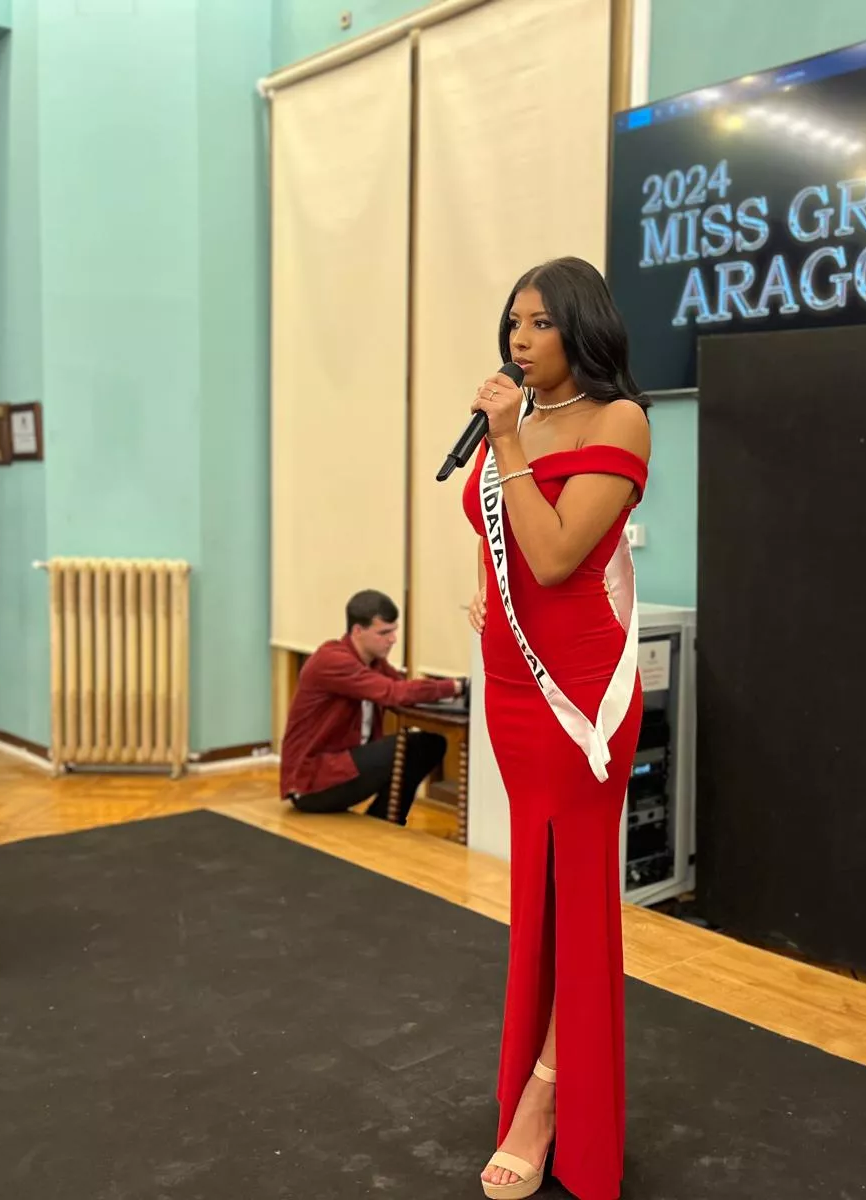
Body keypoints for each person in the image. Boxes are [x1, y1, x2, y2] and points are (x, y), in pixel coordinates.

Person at [462, 257, 651, 1200]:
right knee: (535, 893)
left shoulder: (620, 421)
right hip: (509, 687)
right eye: (514, 323)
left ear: (582, 328)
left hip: (581, 695)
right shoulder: (524, 426)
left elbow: (554, 555)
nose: (519, 340)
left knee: (576, 897)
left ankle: (544, 1100)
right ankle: (542, 1079)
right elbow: (503, 557)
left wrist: (506, 444)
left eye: (538, 323)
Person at [279, 589, 464, 824]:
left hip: (342, 768)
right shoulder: (332, 660)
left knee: (431, 744)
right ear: (358, 630)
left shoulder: (373, 662)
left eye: (394, 631)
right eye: (384, 633)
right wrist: (456, 686)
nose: (393, 639)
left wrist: (447, 693)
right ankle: (385, 821)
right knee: (410, 747)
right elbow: (392, 693)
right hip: (312, 783)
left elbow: (402, 688)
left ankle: (386, 821)